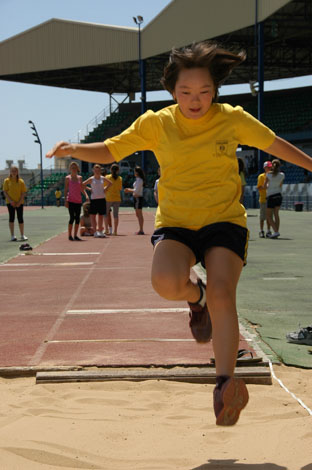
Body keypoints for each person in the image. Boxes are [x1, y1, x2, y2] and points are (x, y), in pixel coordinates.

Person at [46, 40, 312, 426]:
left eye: (205, 91)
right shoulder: (157, 123)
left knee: (224, 290)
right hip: (176, 222)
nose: (196, 99)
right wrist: (74, 147)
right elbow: (111, 150)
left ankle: (225, 386)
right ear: (172, 91)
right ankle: (196, 296)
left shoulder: (232, 118)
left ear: (214, 91)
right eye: (186, 92)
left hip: (223, 220)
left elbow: (276, 144)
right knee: (166, 283)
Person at [83, 164, 112, 237]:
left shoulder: (102, 178)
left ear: (100, 170)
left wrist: (105, 188)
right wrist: (89, 189)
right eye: (95, 170)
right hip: (94, 199)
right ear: (93, 170)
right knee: (93, 216)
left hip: (102, 199)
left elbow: (110, 183)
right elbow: (82, 184)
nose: (97, 171)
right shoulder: (91, 179)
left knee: (101, 216)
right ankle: (95, 232)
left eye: (98, 170)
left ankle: (100, 231)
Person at [3, 165, 28, 241]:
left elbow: (23, 192)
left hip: (19, 203)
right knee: (11, 218)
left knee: (20, 218)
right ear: (10, 172)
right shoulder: (6, 181)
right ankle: (12, 236)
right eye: (12, 171)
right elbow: (5, 192)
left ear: (17, 172)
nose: (14, 173)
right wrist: (11, 201)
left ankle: (22, 235)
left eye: (15, 171)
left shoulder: (21, 181)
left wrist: (19, 202)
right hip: (10, 203)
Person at [64, 161, 88, 241]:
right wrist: (65, 200)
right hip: (70, 200)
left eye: (75, 168)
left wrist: (86, 195)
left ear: (77, 169)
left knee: (77, 218)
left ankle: (75, 235)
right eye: (72, 168)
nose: (74, 169)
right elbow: (66, 190)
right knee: (72, 218)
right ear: (70, 169)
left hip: (78, 200)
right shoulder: (67, 178)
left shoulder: (80, 178)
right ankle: (69, 235)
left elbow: (81, 188)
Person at [265, 158, 285, 239]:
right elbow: (280, 184)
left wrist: (267, 187)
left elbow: (264, 185)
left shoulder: (268, 175)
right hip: (279, 195)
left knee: (268, 216)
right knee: (276, 214)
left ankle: (276, 231)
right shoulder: (282, 175)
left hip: (271, 196)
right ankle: (276, 231)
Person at [124, 166, 145, 235]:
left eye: (135, 171)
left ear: (137, 172)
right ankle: (140, 229)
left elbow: (136, 191)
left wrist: (128, 190)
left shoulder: (140, 180)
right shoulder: (137, 179)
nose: (134, 173)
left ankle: (141, 229)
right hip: (136, 198)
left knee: (139, 214)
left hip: (138, 198)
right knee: (137, 214)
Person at [105, 163, 123, 236]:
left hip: (108, 198)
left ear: (110, 170)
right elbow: (120, 188)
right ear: (118, 170)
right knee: (116, 215)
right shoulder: (120, 178)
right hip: (117, 198)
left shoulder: (107, 177)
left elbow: (105, 187)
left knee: (105, 214)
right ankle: (115, 231)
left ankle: (106, 230)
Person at [257, 161, 272, 238]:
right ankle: (261, 230)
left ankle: (268, 230)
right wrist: (264, 186)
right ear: (264, 168)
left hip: (270, 199)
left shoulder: (272, 176)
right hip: (263, 198)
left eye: (270, 167)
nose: (269, 168)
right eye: (267, 167)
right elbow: (259, 187)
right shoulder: (261, 177)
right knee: (262, 216)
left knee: (269, 216)